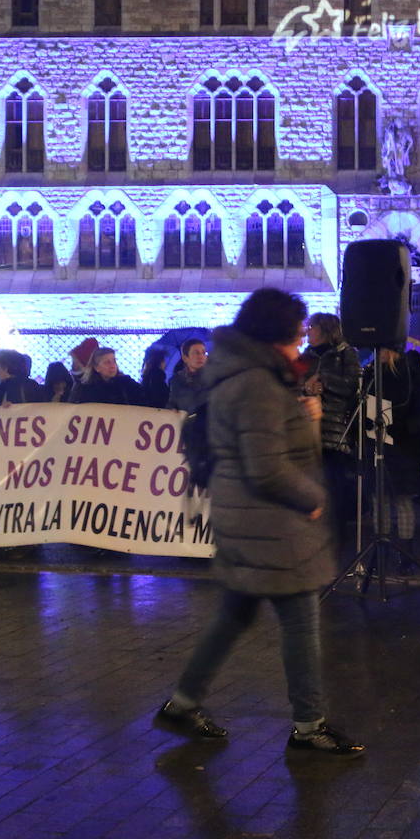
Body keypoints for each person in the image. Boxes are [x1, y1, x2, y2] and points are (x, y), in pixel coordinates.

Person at [154, 287, 363, 758]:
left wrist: (302, 419)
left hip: (245, 516)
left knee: (233, 616)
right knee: (301, 623)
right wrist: (312, 497)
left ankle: (183, 704)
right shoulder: (256, 384)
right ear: (274, 336)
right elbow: (267, 465)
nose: (298, 345)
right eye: (294, 336)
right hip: (269, 523)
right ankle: (309, 726)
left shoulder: (242, 374)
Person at [367, 345, 420, 571]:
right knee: (381, 500)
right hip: (387, 442)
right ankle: (386, 550)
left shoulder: (408, 375)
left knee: (398, 500)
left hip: (401, 444)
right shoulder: (374, 374)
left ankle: (403, 554)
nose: (378, 353)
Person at [301, 313, 361, 547]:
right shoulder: (306, 356)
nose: (308, 331)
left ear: (325, 329)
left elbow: (354, 386)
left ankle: (336, 540)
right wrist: (307, 388)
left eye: (311, 327)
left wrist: (325, 382)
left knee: (335, 488)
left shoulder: (345, 353)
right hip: (307, 431)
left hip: (336, 433)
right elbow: (294, 384)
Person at [71, 347, 145, 405]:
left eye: (114, 361)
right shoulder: (87, 388)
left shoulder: (126, 383)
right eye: (107, 363)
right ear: (97, 368)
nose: (112, 366)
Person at [167, 338, 209, 413]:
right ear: (185, 358)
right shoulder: (176, 380)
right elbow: (172, 402)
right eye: (196, 353)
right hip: (187, 422)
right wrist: (172, 409)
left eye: (203, 353)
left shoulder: (214, 378)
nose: (201, 356)